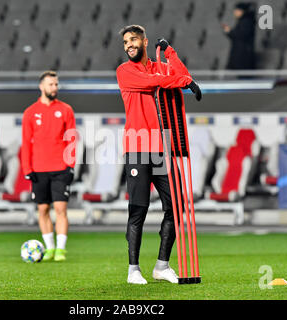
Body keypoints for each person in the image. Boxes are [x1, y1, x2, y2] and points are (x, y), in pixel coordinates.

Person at [116, 25, 201, 284]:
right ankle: (133, 270)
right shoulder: (124, 71)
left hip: (163, 149)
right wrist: (184, 81)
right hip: (137, 148)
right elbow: (156, 82)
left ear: (144, 41)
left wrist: (170, 54)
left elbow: (180, 74)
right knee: (138, 210)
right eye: (125, 42)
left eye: (133, 40)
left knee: (176, 207)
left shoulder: (160, 66)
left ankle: (162, 266)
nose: (129, 45)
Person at [22, 71, 76, 262]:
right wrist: (27, 169)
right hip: (38, 169)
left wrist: (71, 165)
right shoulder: (29, 112)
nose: (54, 88)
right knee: (43, 210)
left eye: (56, 84)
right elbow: (26, 142)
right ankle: (50, 248)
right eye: (51, 84)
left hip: (61, 168)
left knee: (61, 208)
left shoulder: (66, 110)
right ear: (41, 87)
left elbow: (71, 139)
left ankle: (61, 249)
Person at [222, 2, 256, 69]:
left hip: (243, 55)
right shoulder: (244, 21)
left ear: (242, 11)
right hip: (240, 54)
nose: (235, 12)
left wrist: (229, 31)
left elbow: (242, 36)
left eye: (237, 10)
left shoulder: (246, 21)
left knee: (243, 76)